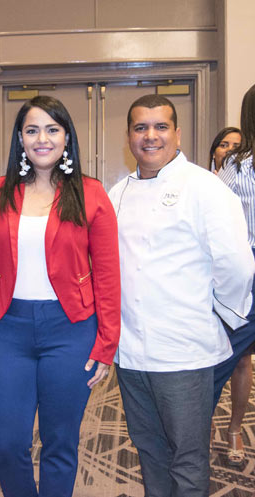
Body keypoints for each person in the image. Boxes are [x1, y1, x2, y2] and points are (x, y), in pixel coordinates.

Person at [0, 95, 120, 497]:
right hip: (7, 332)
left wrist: (106, 345)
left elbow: (107, 275)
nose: (42, 139)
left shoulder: (90, 194)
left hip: (70, 332)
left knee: (60, 442)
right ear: (20, 138)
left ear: (67, 137)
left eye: (52, 129)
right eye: (32, 130)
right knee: (10, 444)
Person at [109, 94, 254, 497]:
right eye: (141, 127)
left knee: (187, 460)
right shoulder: (116, 194)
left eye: (160, 127)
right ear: (129, 136)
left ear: (177, 133)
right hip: (131, 354)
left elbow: (237, 264)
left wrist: (219, 316)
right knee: (149, 452)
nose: (150, 136)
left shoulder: (205, 187)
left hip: (184, 353)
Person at [216, 83, 255, 466]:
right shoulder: (237, 164)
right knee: (233, 354)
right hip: (249, 267)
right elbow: (217, 214)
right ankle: (212, 424)